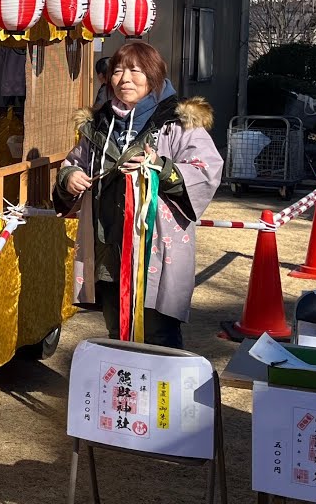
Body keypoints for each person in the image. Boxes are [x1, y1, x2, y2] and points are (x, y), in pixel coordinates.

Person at [54, 42, 223, 348]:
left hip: (154, 245)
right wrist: (70, 178)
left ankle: (163, 395)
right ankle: (125, 395)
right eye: (118, 71)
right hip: (108, 243)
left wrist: (160, 167)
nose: (125, 79)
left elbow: (206, 168)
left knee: (159, 333)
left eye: (135, 70)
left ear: (154, 75)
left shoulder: (178, 121)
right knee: (116, 327)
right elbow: (74, 162)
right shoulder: (98, 123)